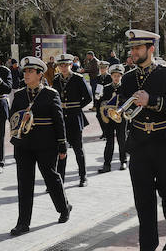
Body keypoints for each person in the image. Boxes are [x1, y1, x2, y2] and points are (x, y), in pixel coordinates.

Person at [118, 29, 166, 251]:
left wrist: (152, 101)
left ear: (151, 49)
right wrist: (109, 110)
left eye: (138, 48)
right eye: (132, 48)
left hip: (164, 142)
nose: (133, 52)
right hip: (138, 143)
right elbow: (120, 105)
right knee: (143, 200)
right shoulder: (127, 78)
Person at [8, 56, 72, 236]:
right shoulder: (20, 95)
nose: (26, 75)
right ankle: (23, 223)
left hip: (46, 145)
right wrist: (21, 118)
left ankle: (63, 207)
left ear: (39, 74)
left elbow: (59, 122)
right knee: (24, 183)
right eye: (25, 72)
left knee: (51, 178)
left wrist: (62, 146)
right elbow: (11, 118)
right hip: (23, 145)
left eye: (30, 72)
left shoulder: (51, 94)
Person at [52, 53, 92, 187]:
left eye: (66, 65)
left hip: (74, 117)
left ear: (70, 65)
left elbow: (88, 97)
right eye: (61, 65)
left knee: (78, 149)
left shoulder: (78, 79)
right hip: (61, 118)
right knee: (61, 150)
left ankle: (83, 176)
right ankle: (60, 179)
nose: (63, 67)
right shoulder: (56, 80)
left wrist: (76, 107)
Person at [97, 63, 127, 172]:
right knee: (109, 142)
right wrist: (103, 118)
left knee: (122, 140)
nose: (116, 78)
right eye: (114, 76)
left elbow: (128, 104)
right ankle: (107, 164)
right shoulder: (106, 88)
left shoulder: (125, 88)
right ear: (111, 76)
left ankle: (123, 161)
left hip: (121, 118)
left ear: (121, 76)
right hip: (109, 119)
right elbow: (99, 103)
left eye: (118, 76)